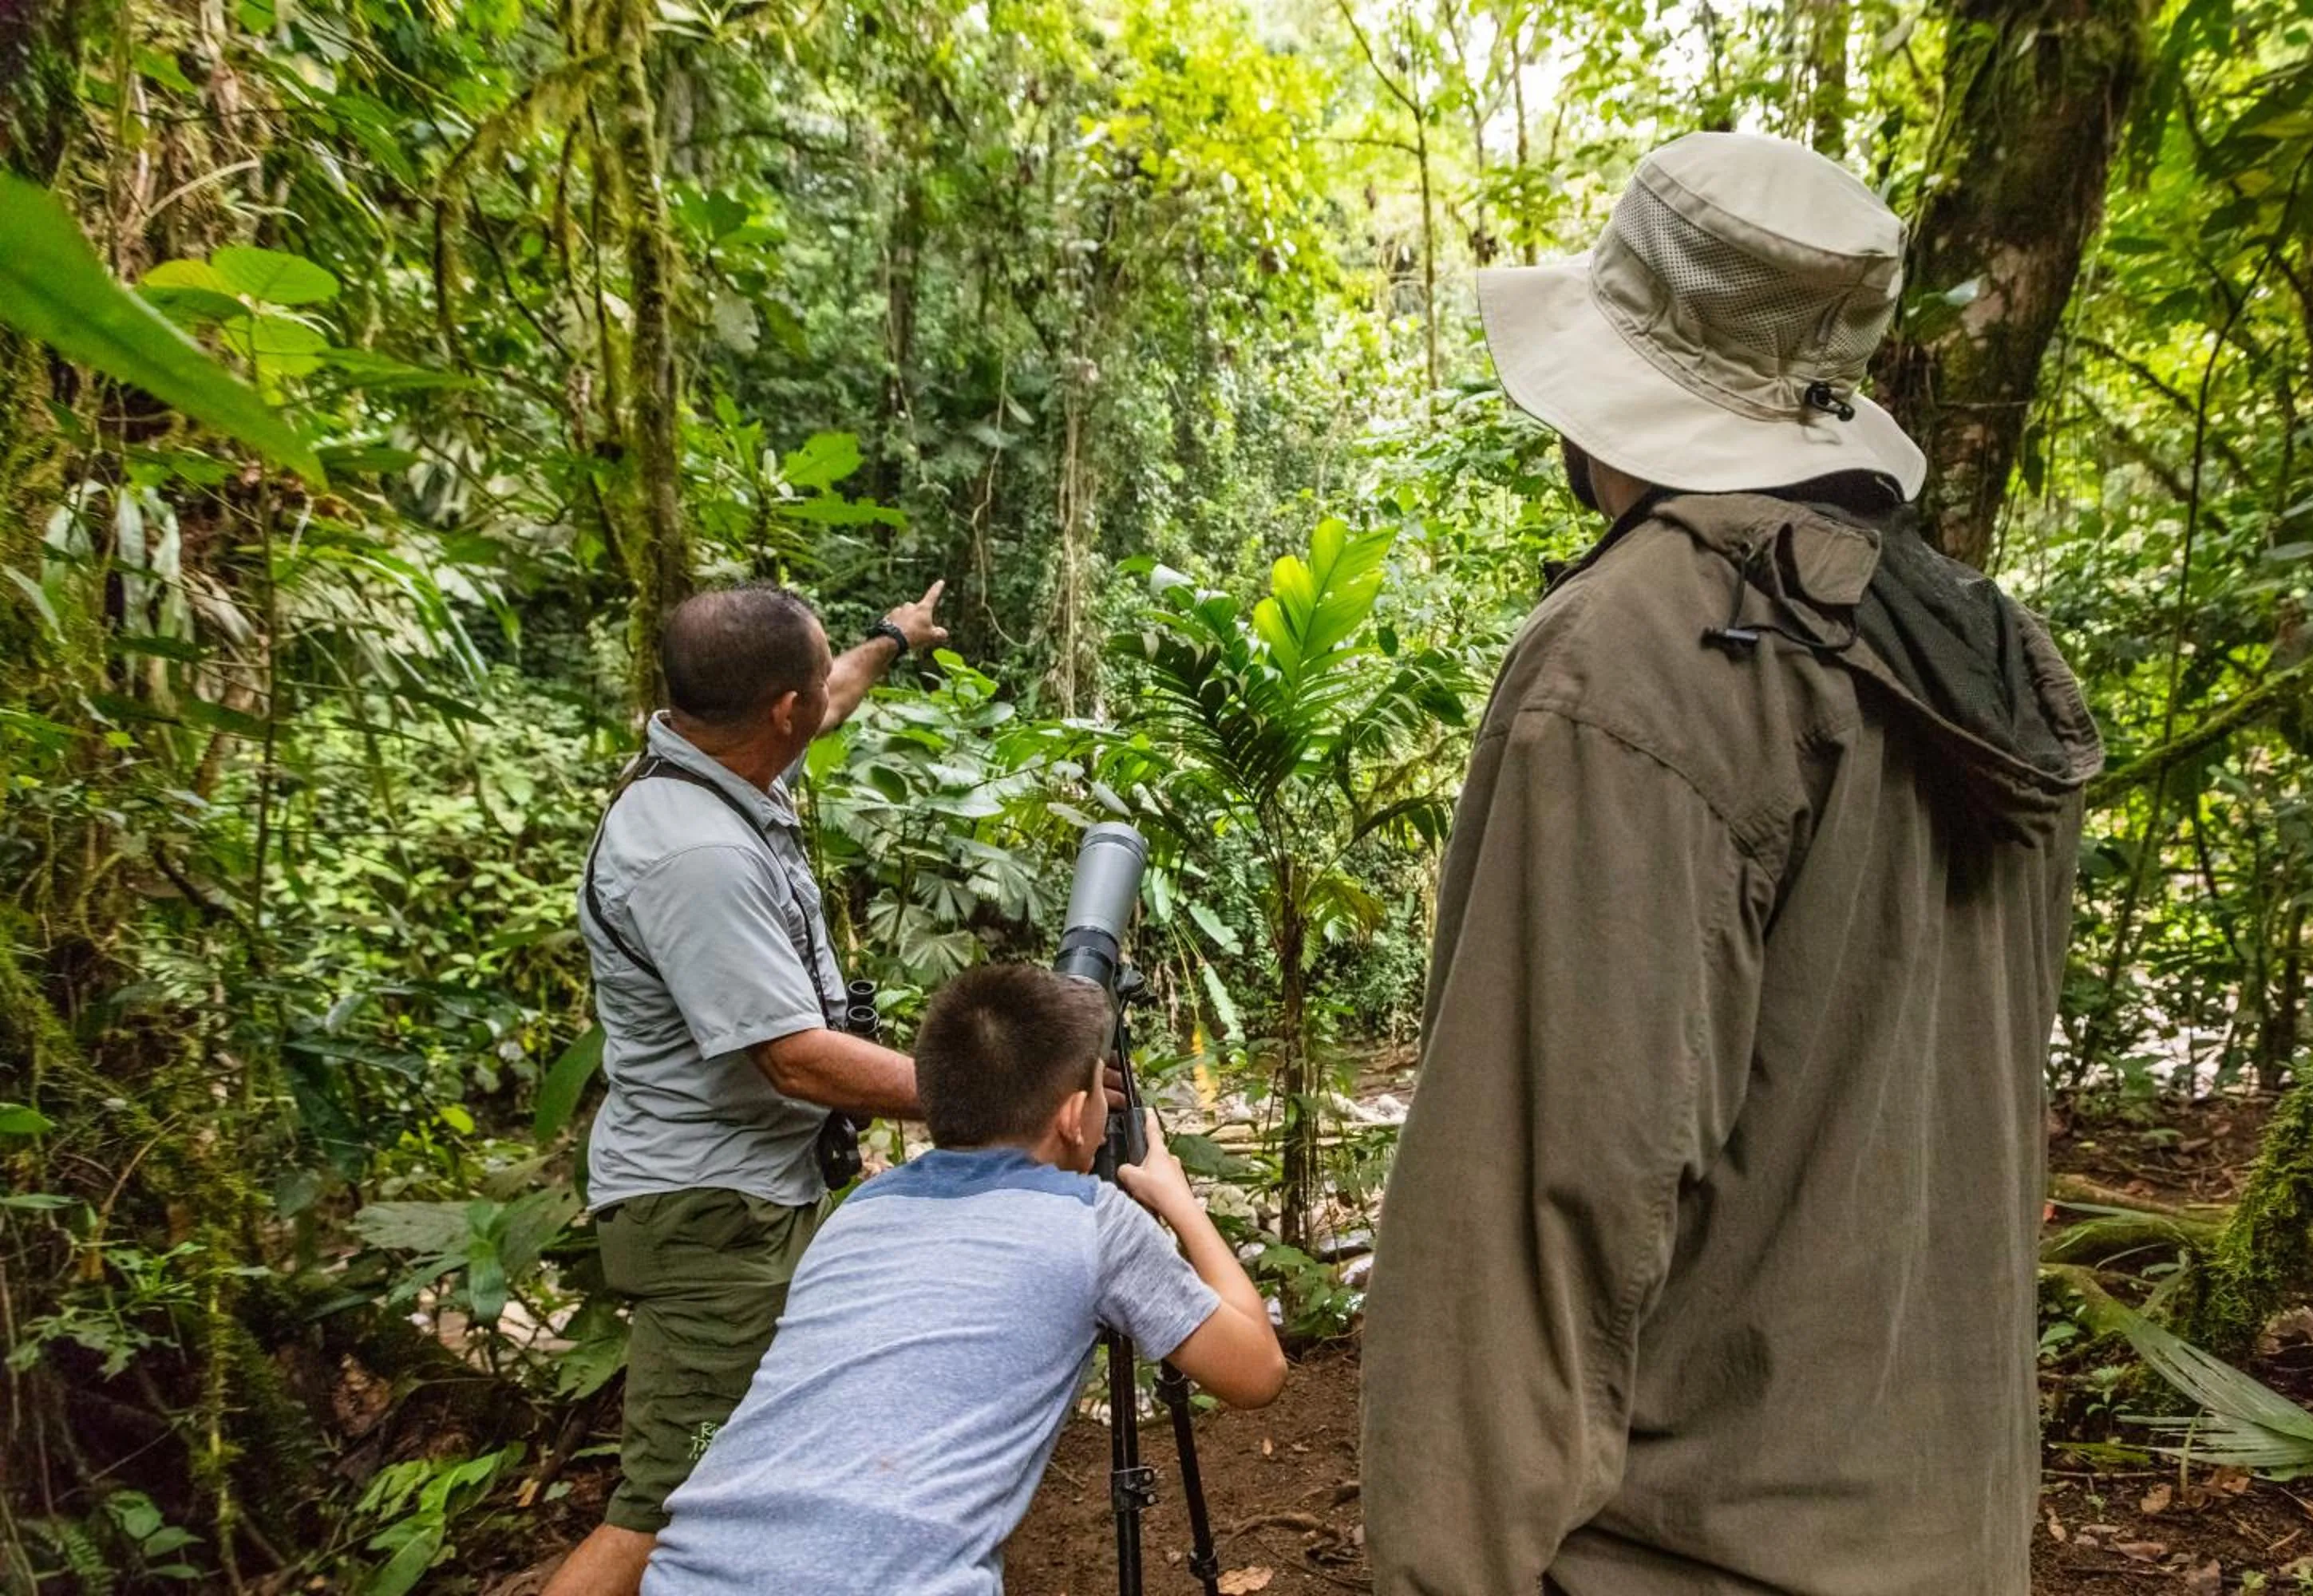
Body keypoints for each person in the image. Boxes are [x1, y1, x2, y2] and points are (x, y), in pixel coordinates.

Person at [1361, 132, 2104, 1594]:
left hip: (1694, 1550)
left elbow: (1537, 1206)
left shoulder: (1638, 655)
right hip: (1948, 1536)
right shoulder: (1987, 649)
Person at [544, 579, 951, 1596]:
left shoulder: (725, 755)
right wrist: (988, 1093)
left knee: (791, 1449)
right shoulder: (697, 854)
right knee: (669, 1506)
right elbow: (796, 1058)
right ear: (782, 708)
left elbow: (834, 694)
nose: (829, 691)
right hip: (710, 1215)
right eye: (816, 679)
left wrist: (888, 639)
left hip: (760, 1191)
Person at [642, 962, 1287, 1595]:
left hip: (691, 1569)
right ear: (1073, 1117)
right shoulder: (1092, 1224)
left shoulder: (857, 1214)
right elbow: (1257, 1372)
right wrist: (1177, 1200)